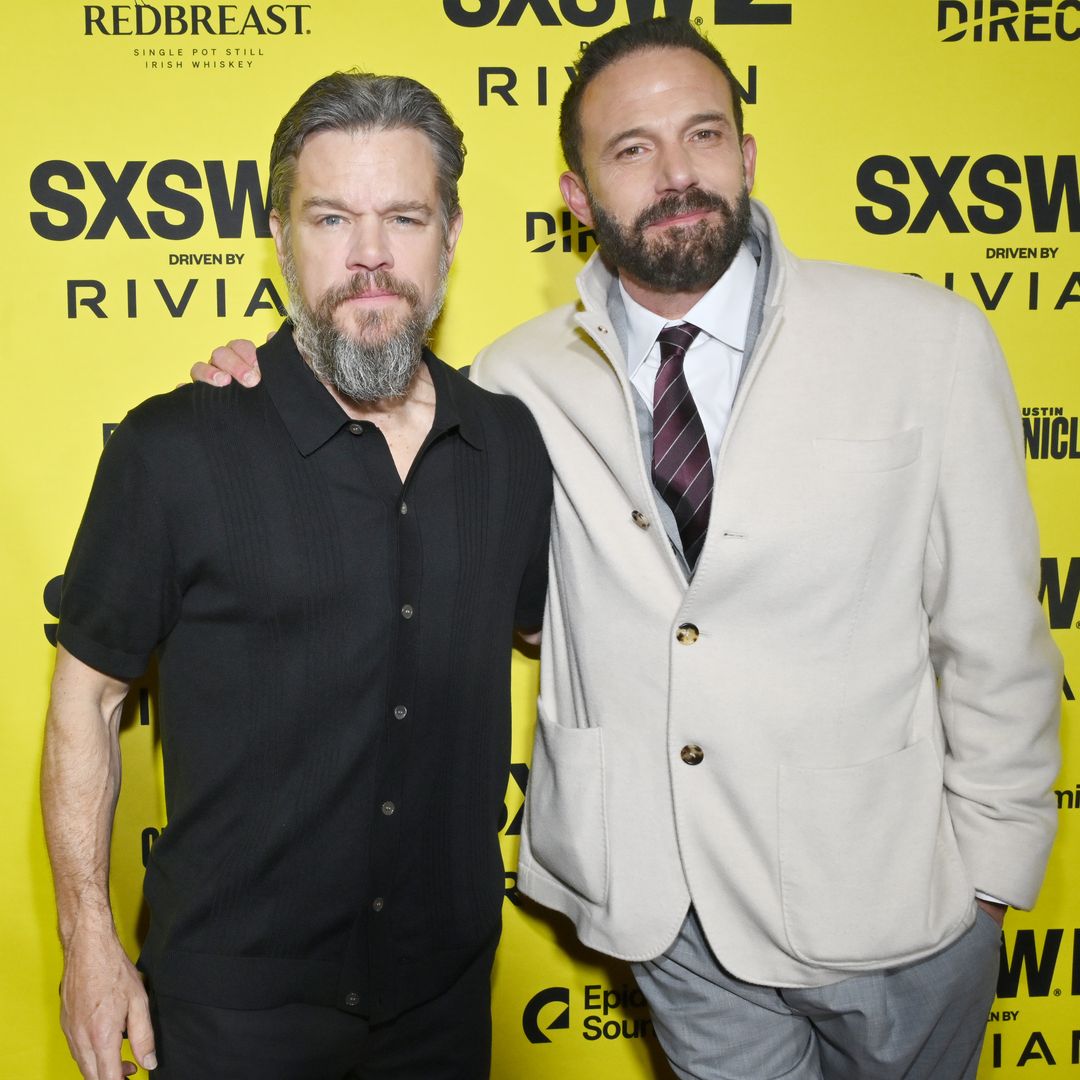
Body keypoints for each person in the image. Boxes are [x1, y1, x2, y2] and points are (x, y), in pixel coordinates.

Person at [196, 18, 1062, 1080]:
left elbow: (992, 629)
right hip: (673, 922)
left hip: (897, 903)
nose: (677, 174)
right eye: (632, 150)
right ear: (577, 196)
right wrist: (254, 382)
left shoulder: (923, 339)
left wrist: (987, 881)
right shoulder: (512, 384)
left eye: (703, 135)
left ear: (746, 155)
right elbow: (376, 424)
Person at [42, 71, 551, 1080]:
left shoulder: (510, 443)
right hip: (233, 1009)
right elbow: (87, 702)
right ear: (280, 236)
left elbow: (571, 638)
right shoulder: (174, 448)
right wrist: (89, 942)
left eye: (404, 217)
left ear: (451, 234)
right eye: (331, 218)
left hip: (443, 1006)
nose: (370, 258)